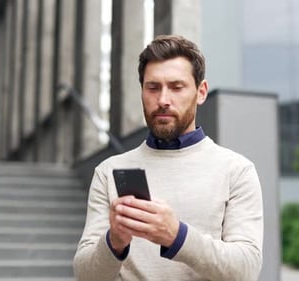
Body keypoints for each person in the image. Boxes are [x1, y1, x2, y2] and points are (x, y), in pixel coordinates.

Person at [73, 35, 263, 281]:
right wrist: (114, 241)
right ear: (142, 91)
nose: (163, 100)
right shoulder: (108, 171)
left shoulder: (237, 170)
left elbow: (247, 270)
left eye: (176, 87)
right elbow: (85, 276)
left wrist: (177, 236)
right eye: (153, 87)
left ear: (201, 92)